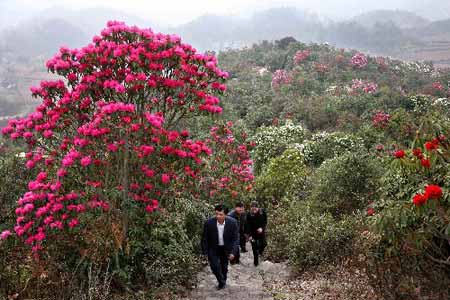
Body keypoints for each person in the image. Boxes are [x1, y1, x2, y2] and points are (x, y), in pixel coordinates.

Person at [201, 204, 240, 290]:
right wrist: (205, 252)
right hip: (213, 248)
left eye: (221, 214)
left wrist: (233, 252)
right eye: (216, 214)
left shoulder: (233, 222)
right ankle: (221, 282)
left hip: (226, 248)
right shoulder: (209, 223)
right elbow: (204, 238)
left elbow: (236, 239)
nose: (218, 216)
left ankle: (223, 281)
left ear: (226, 214)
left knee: (224, 267)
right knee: (214, 266)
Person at [246, 201, 267, 266]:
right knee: (254, 248)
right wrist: (249, 235)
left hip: (261, 232)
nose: (254, 210)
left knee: (264, 244)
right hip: (253, 233)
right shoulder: (249, 214)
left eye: (255, 209)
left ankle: (260, 252)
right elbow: (248, 225)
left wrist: (262, 228)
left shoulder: (262, 212)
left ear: (258, 208)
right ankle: (256, 263)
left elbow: (265, 222)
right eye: (252, 209)